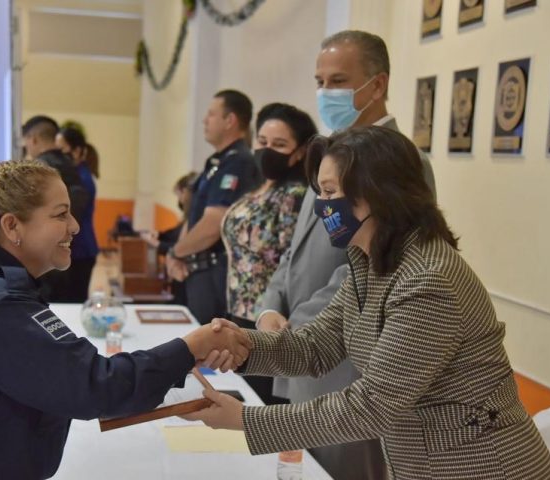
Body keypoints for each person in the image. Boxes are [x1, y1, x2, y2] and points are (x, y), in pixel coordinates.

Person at [188, 127, 550, 480]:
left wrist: (246, 419)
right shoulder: (371, 263)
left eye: (330, 192)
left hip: (485, 467)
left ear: (378, 193)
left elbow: (372, 406)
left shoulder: (427, 281)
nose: (321, 207)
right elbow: (315, 347)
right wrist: (240, 346)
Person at [0, 160, 250, 480]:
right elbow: (95, 386)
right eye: (60, 214)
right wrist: (189, 348)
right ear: (12, 227)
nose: (75, 227)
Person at [255, 30, 437, 479]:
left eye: (338, 81)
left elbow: (380, 266)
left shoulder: (401, 161)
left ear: (377, 85)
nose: (325, 92)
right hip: (300, 346)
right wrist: (270, 309)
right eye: (320, 81)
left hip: (345, 361)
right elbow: (295, 251)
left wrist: (302, 322)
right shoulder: (330, 153)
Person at [220, 103, 315, 404]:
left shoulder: (294, 195)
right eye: (262, 141)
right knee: (240, 398)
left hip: (267, 319)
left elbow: (291, 261)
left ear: (299, 151)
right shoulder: (260, 188)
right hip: (239, 310)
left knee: (258, 405)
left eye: (279, 144)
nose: (267, 150)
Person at [166, 89, 260, 324]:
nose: (204, 120)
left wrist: (175, 253)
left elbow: (213, 224)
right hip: (197, 269)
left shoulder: (238, 163)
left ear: (230, 121)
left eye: (211, 114)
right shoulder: (216, 162)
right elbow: (193, 215)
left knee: (209, 340)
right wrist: (178, 253)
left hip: (216, 273)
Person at [22, 115, 88, 302]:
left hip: (45, 257)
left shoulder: (40, 170)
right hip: (69, 251)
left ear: (33, 140)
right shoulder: (71, 165)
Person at [140, 172, 198, 306]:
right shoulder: (188, 216)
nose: (180, 201)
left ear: (186, 192)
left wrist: (158, 244)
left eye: (179, 195)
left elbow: (183, 245)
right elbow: (175, 233)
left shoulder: (196, 217)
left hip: (187, 276)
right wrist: (159, 235)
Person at [55, 126, 99, 302]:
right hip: (78, 249)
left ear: (77, 150)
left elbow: (73, 215)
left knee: (73, 302)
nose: (58, 155)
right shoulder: (76, 175)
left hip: (81, 250)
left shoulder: (80, 179)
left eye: (61, 150)